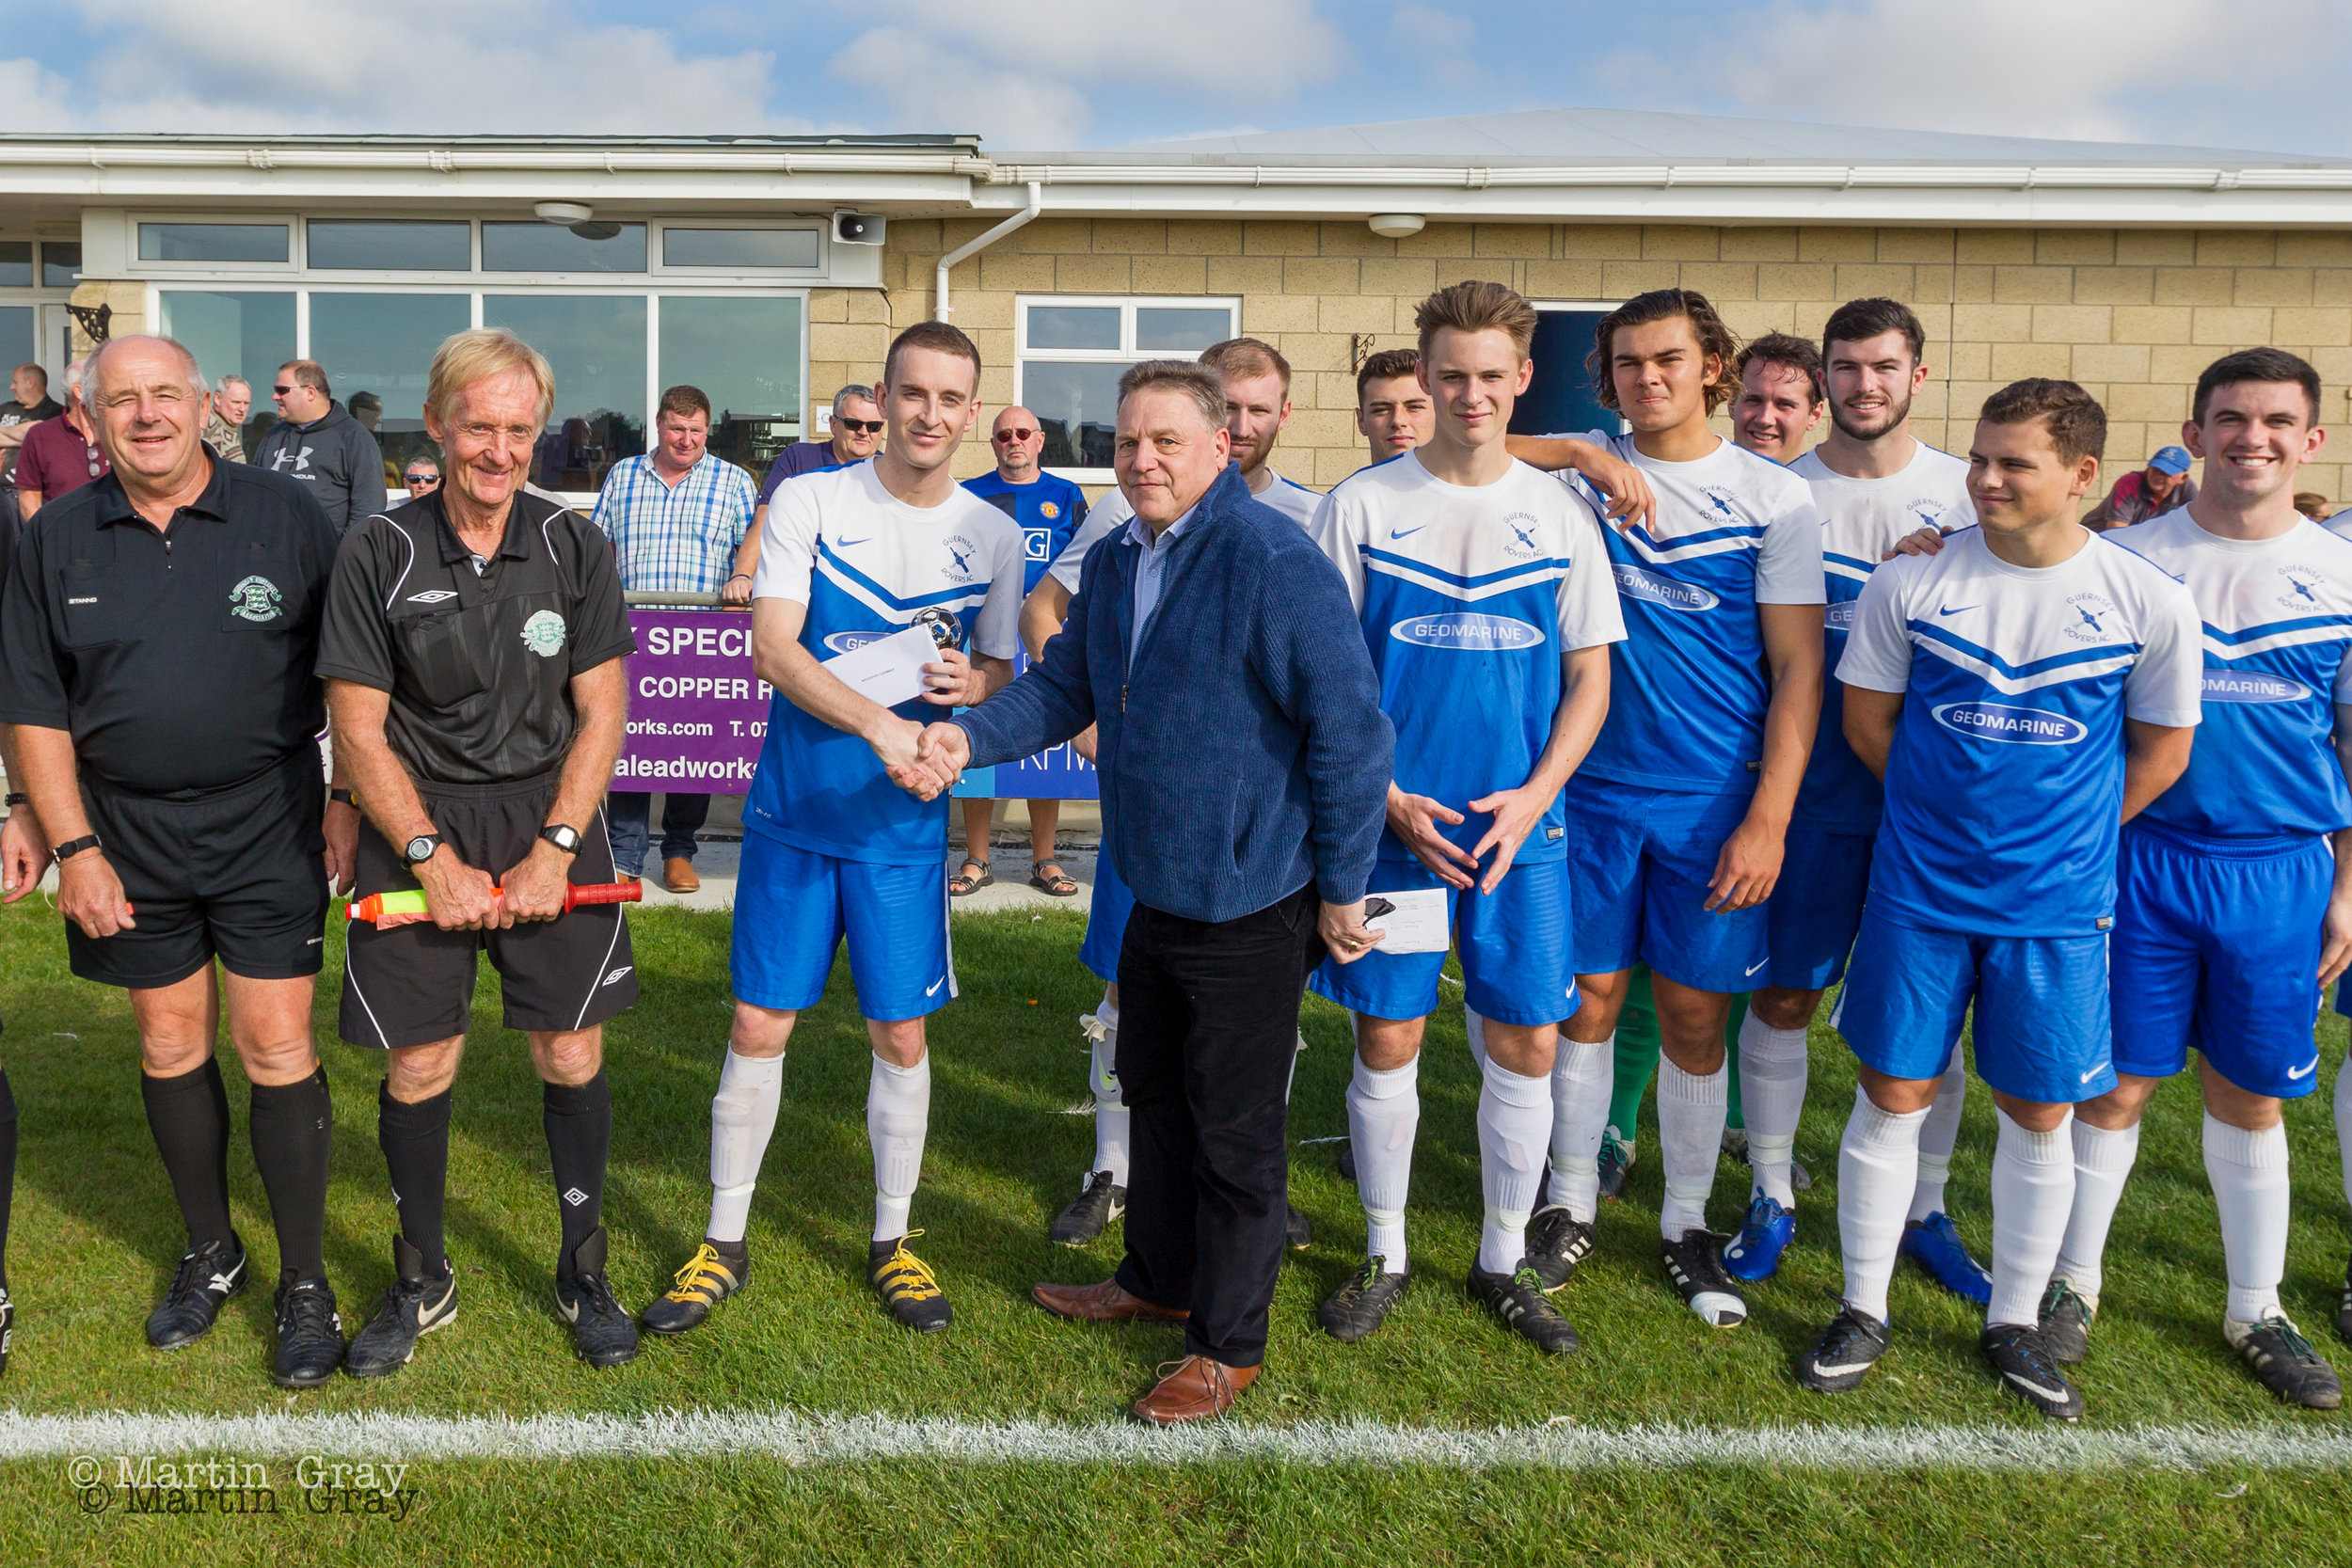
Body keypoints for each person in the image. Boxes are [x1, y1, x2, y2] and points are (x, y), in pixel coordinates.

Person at [1024, 348, 1648, 1253]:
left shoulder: (1304, 520)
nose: (1235, 428)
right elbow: (1057, 621)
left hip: (1342, 830)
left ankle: (1348, 1215)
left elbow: (1345, 705)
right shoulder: (1133, 521)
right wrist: (1095, 726)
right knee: (1157, 1000)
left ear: (1283, 412)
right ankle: (1124, 1177)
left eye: (1252, 411)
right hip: (1226, 818)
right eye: (1216, 412)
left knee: (1293, 1016)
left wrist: (1581, 456)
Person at [914, 357, 1392, 1426]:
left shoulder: (1272, 557)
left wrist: (1343, 888)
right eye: (1128, 440)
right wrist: (964, 734)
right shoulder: (1123, 553)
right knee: (1154, 1098)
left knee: (1233, 1133)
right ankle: (1157, 1274)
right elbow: (1064, 686)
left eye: (1166, 440)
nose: (1141, 460)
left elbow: (1353, 732)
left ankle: (1227, 1343)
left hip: (1252, 896)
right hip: (1151, 883)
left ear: (1223, 447)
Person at [1795, 378, 2201, 1423]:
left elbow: (2161, 751)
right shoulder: (1912, 581)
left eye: (2011, 462)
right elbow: (1867, 724)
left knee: (2039, 1108)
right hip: (1918, 891)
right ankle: (1862, 1304)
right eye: (1978, 457)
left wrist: (2061, 838)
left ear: (2078, 475)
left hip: (2058, 905)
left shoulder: (2143, 595)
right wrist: (1951, 824)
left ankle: (2013, 1320)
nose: (1983, 478)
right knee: (1892, 1091)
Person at [640, 323, 1021, 1342]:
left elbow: (998, 673)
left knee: (900, 1032)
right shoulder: (811, 498)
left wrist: (968, 690)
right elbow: (772, 647)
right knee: (759, 1024)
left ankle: (892, 1237)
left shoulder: (994, 535)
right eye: (911, 393)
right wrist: (881, 722)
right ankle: (724, 1240)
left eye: (950, 398)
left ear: (970, 412)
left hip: (902, 829)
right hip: (798, 815)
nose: (929, 414)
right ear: (883, 400)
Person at [0, 335, 352, 1388]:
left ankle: (304, 1278)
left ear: (205, 405)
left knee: (275, 1039)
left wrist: (344, 799)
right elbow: (33, 705)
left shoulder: (288, 517)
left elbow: (350, 672)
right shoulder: (56, 535)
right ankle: (212, 1248)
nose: (147, 415)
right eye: (124, 401)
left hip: (267, 818)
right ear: (90, 419)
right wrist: (71, 844)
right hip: (122, 831)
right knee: (166, 1037)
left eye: (166, 395)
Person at [319, 327, 644, 1373]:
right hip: (420, 818)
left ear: (537, 433)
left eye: (518, 428)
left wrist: (556, 845)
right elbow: (359, 726)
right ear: (439, 421)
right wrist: (426, 854)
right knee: (420, 1059)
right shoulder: (380, 547)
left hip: (549, 813)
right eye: (478, 426)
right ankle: (422, 1278)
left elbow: (601, 714)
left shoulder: (574, 545)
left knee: (570, 1048)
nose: (498, 449)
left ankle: (583, 1267)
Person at [1305, 282, 1622, 1352]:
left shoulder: (1561, 513)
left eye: (1492, 375)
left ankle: (1498, 1256)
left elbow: (1589, 681)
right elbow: (1321, 681)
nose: (1470, 393)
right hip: (1392, 825)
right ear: (1424, 375)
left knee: (1527, 1036)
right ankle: (1385, 1248)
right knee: (1387, 1031)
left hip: (1518, 829)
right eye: (1451, 374)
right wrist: (1383, 796)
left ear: (1523, 378)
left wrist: (1536, 795)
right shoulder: (1359, 505)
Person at [1502, 289, 1824, 1331]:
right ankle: (1569, 1199)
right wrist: (1584, 455)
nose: (1649, 378)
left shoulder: (1771, 498)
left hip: (1709, 799)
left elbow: (1796, 667)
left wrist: (1768, 815)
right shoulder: (1577, 480)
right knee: (1585, 1000)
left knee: (1691, 1012)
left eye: (1669, 359)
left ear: (1713, 366)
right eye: (1629, 362)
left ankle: (1685, 1218)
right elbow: (1463, 443)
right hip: (1589, 791)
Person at [2033, 350, 2344, 1410]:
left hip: (2277, 868)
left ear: (2309, 440)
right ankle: (2070, 1282)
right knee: (2112, 1081)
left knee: (2250, 1096)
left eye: (2274, 421)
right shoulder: (2121, 554)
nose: (2249, 438)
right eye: (2228, 418)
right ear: (2195, 429)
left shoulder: (2342, 575)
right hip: (2138, 856)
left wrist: (2346, 884)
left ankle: (2253, 1304)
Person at [1724, 300, 1985, 1296]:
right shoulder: (1773, 492)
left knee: (1936, 1019)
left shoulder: (1975, 492)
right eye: (1846, 366)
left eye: (1883, 366)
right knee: (1784, 991)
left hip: (1932, 810)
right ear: (1822, 378)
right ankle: (1771, 1189)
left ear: (1918, 374)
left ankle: (1925, 1204)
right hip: (1810, 795)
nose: (1863, 384)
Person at [591, 384, 757, 895]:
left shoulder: (733, 482)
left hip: (701, 641)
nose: (686, 440)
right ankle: (625, 855)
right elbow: (599, 549)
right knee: (629, 747)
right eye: (676, 429)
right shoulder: (623, 475)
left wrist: (743, 580)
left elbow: (752, 551)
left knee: (693, 749)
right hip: (631, 636)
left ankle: (680, 851)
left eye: (696, 431)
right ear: (658, 427)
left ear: (708, 431)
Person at [954, 405, 1089, 899]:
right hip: (985, 640)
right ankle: (977, 857)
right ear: (993, 443)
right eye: (1003, 434)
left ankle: (1044, 858)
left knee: (1046, 748)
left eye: (1023, 433)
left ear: (1039, 440)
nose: (1013, 440)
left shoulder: (1067, 495)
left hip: (1048, 635)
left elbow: (1086, 565)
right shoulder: (969, 494)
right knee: (978, 741)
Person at [730, 386, 887, 604]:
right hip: (796, 599)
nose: (863, 432)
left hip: (860, 603)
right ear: (833, 424)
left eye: (874, 426)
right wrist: (742, 575)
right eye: (853, 424)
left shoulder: (891, 474)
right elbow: (765, 518)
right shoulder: (799, 458)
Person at [253, 360, 388, 538]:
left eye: (282, 390)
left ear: (310, 392)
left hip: (326, 560)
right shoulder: (273, 437)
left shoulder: (353, 437)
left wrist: (343, 555)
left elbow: (369, 506)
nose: (275, 396)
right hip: (272, 557)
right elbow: (254, 495)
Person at [13, 359, 108, 521]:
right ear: (79, 392)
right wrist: (46, 536)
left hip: (116, 536)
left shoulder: (115, 430)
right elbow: (29, 496)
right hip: (64, 539)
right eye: (100, 384)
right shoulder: (41, 435)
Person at [1727, 334, 1826, 465]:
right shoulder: (1695, 481)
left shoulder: (1814, 485)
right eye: (1754, 400)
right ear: (1732, 402)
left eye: (1784, 405)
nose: (1764, 419)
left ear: (1815, 415)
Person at [2083, 444, 2195, 531]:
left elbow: (2200, 523)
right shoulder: (2130, 483)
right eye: (2155, 469)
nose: (2158, 476)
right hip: (2097, 540)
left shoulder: (2187, 489)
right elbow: (2115, 532)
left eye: (2166, 473)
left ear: (2183, 478)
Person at [1355, 348, 1433, 467]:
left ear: (1440, 415)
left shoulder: (1468, 484)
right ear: (1361, 422)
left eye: (1414, 407)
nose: (1398, 420)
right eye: (1381, 410)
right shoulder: (1348, 486)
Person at [204, 374, 251, 464]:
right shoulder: (205, 428)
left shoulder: (229, 427)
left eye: (246, 403)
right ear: (218, 399)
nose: (242, 409)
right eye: (236, 402)